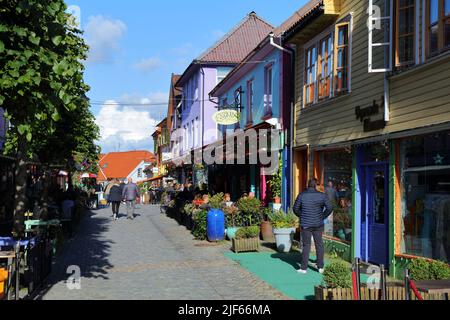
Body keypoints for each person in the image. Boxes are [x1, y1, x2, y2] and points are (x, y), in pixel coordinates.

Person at [293, 178, 333, 274]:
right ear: (315, 185)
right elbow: (330, 208)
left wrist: (302, 215)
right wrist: (322, 216)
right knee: (319, 244)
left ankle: (303, 268)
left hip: (306, 224)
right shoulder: (322, 196)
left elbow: (295, 209)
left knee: (306, 245)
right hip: (318, 223)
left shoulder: (302, 195)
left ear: (308, 185)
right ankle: (320, 267)